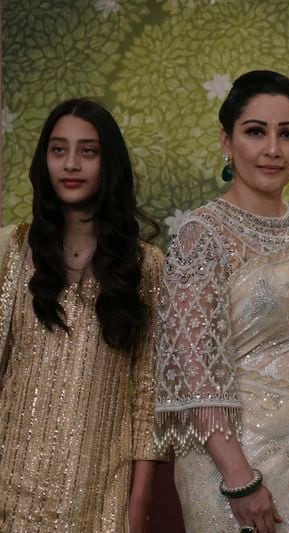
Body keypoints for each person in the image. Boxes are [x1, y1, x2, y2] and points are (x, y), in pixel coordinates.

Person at [154, 70, 289, 533]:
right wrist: (239, 480)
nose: (273, 149)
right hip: (235, 466)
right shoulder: (202, 235)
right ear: (226, 142)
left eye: (287, 134)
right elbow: (196, 373)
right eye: (255, 132)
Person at [0, 98, 163, 532]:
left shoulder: (144, 266)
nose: (70, 164)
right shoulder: (14, 251)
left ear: (109, 163)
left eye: (88, 151)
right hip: (10, 483)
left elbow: (149, 392)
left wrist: (140, 499)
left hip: (97, 490)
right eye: (58, 150)